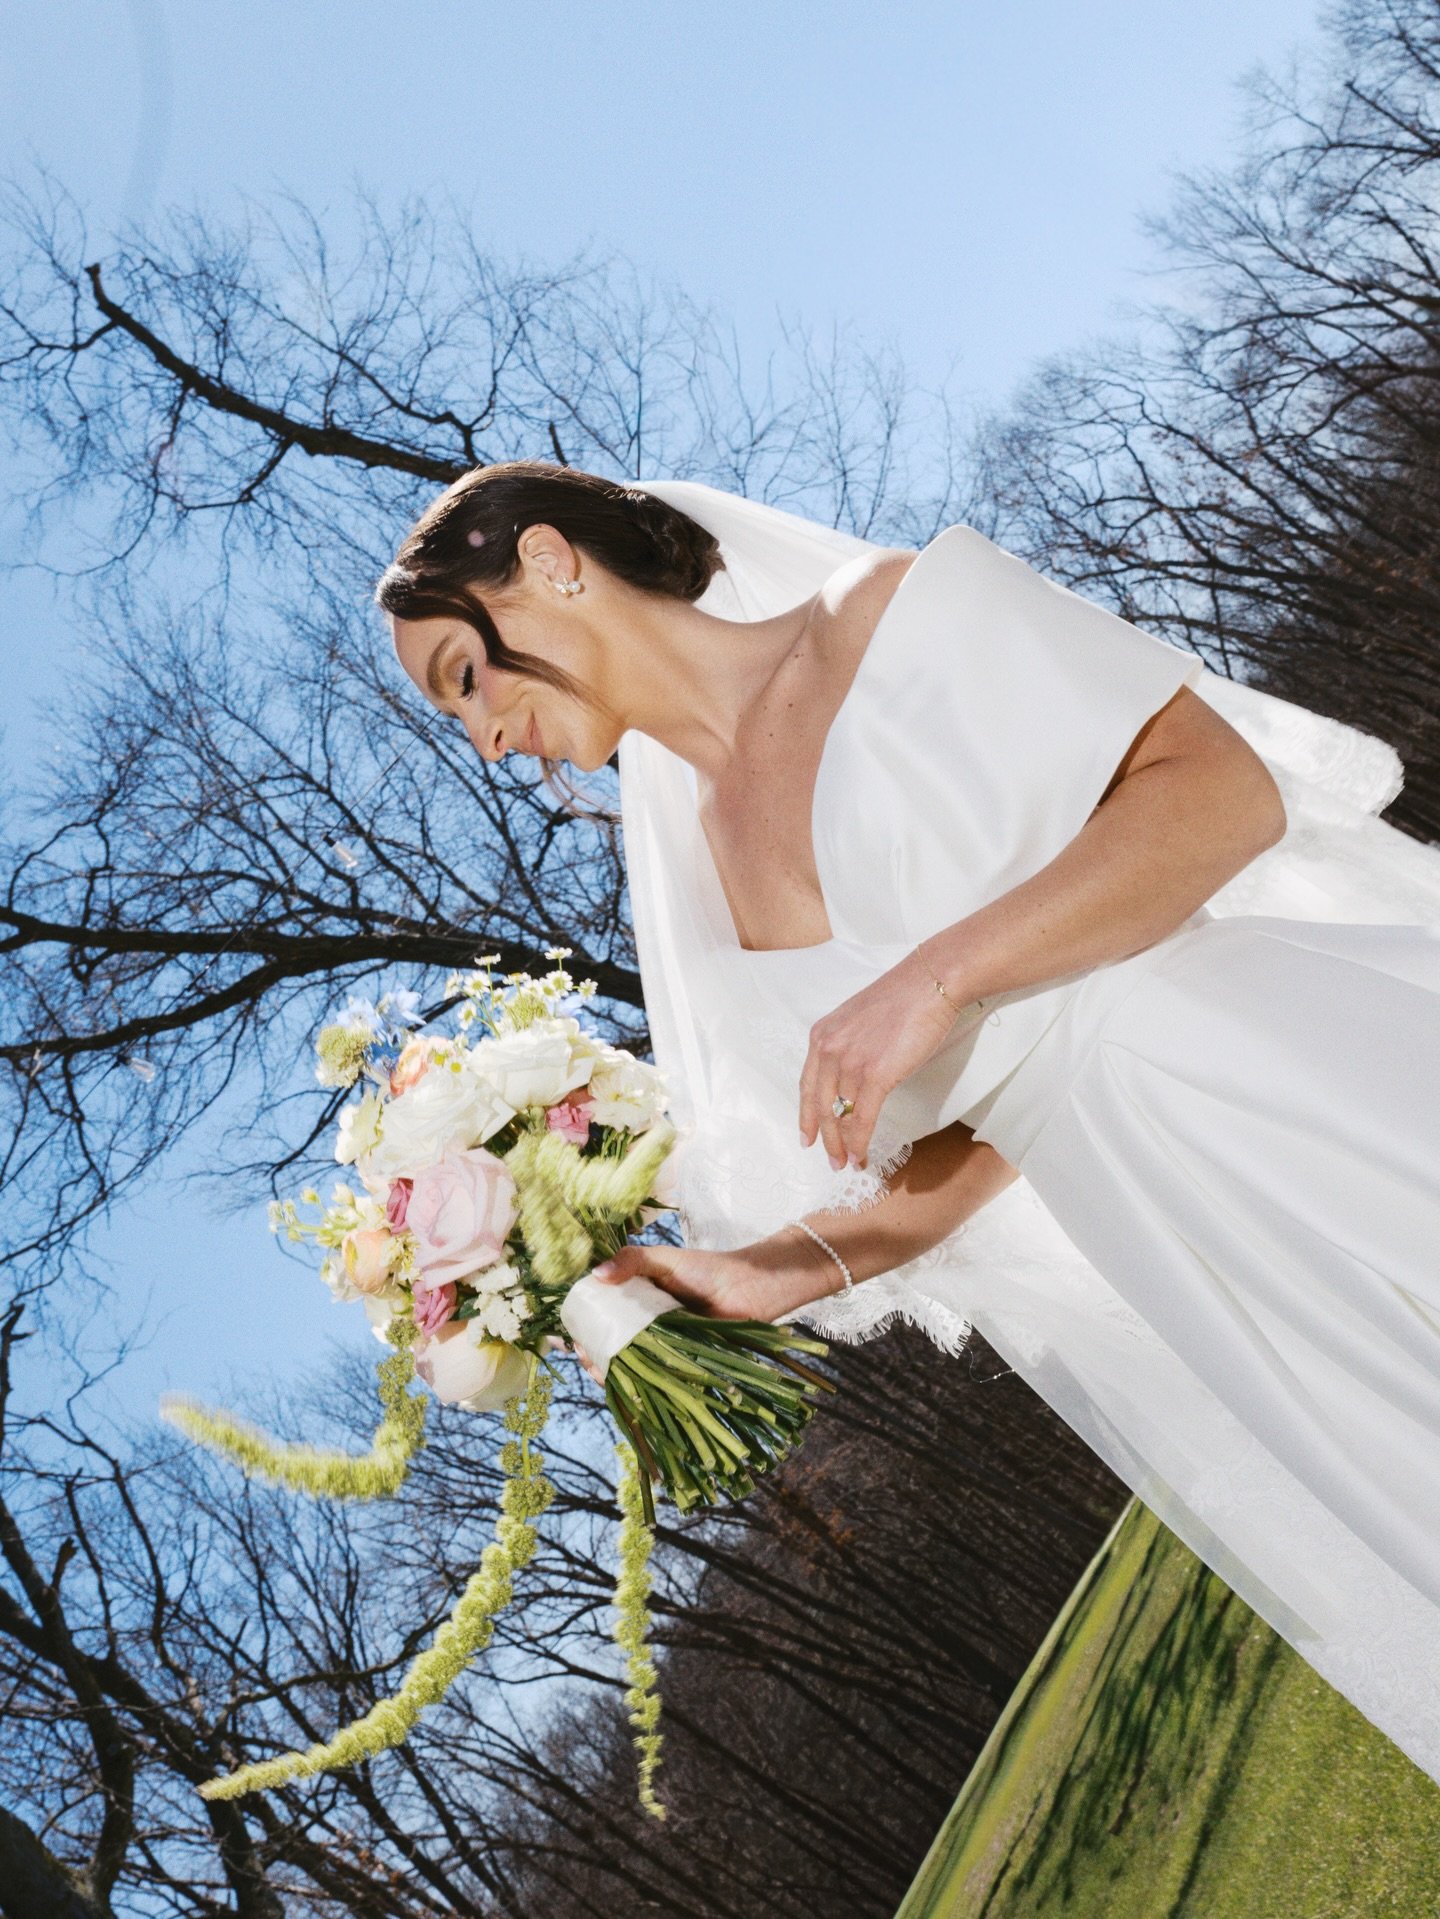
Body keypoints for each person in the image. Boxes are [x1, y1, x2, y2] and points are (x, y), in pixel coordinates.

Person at [379, 458, 1440, 1786]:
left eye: (463, 679)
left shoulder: (881, 612)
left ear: (549, 563)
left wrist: (936, 977)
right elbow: (982, 1131)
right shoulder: (705, 890)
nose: (482, 738)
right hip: (1168, 1231)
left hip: (1268, 1065)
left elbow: (1221, 793)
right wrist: (748, 1275)